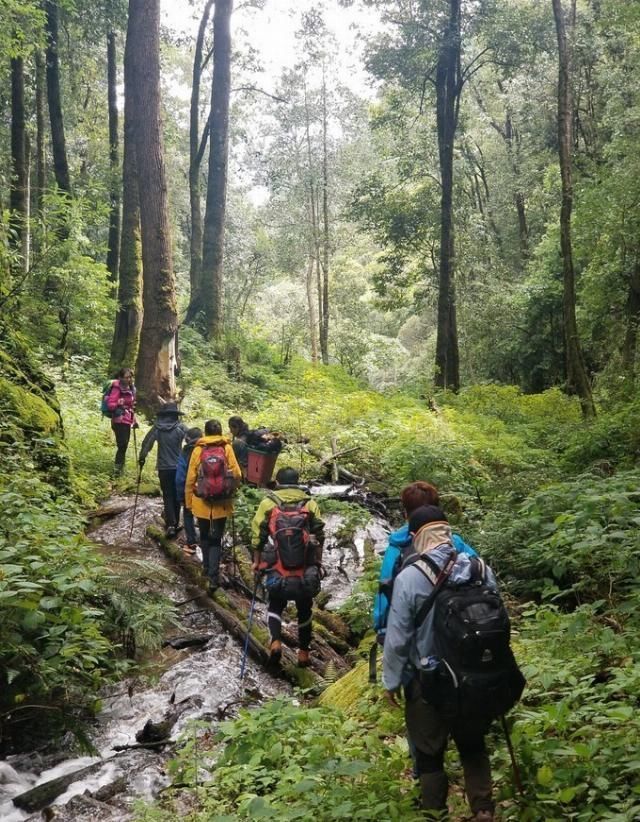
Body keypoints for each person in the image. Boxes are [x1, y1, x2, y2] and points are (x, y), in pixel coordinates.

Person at [383, 505, 497, 821]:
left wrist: (390, 682)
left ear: (417, 536)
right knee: (473, 745)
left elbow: (397, 638)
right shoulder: (480, 568)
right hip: (476, 676)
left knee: (429, 754)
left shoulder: (410, 575)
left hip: (429, 679)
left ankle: (435, 813)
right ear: (447, 531)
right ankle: (483, 808)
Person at [374, 481, 477, 647]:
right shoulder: (455, 542)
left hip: (417, 634)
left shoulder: (397, 548)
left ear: (405, 513)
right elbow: (478, 574)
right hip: (459, 627)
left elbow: (385, 591)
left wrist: (382, 629)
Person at [250, 467, 325, 667]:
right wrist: (318, 561)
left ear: (278, 481)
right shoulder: (309, 503)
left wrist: (257, 562)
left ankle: (275, 641)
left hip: (278, 566)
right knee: (304, 609)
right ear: (297, 481)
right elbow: (320, 533)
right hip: (304, 567)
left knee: (275, 604)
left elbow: (257, 534)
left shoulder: (268, 502)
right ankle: (303, 653)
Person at [185, 419, 242, 592]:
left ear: (205, 432)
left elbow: (190, 478)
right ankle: (213, 578)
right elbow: (237, 473)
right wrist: (231, 489)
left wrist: (188, 502)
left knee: (204, 535)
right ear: (220, 431)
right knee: (216, 539)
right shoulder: (226, 448)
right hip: (222, 502)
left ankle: (206, 568)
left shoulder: (198, 449)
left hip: (201, 501)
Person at [139, 402, 188, 538]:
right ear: (175, 415)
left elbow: (146, 443)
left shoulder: (157, 428)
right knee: (177, 495)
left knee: (167, 495)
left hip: (163, 467)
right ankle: (175, 523)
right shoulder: (181, 427)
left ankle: (170, 525)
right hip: (178, 467)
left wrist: (142, 458)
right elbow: (193, 440)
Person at [175, 427, 202, 555]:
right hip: (207, 490)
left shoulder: (186, 451)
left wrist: (181, 495)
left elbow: (180, 476)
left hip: (190, 490)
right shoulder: (208, 449)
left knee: (188, 514)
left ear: (188, 439)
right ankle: (207, 543)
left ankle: (191, 542)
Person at [105, 367, 137, 476]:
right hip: (119, 420)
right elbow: (110, 405)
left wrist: (134, 420)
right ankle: (117, 470)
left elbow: (132, 406)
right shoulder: (116, 388)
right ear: (120, 377)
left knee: (124, 445)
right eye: (126, 377)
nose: (129, 379)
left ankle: (120, 469)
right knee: (122, 445)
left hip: (127, 420)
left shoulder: (132, 388)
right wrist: (118, 403)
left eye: (130, 377)